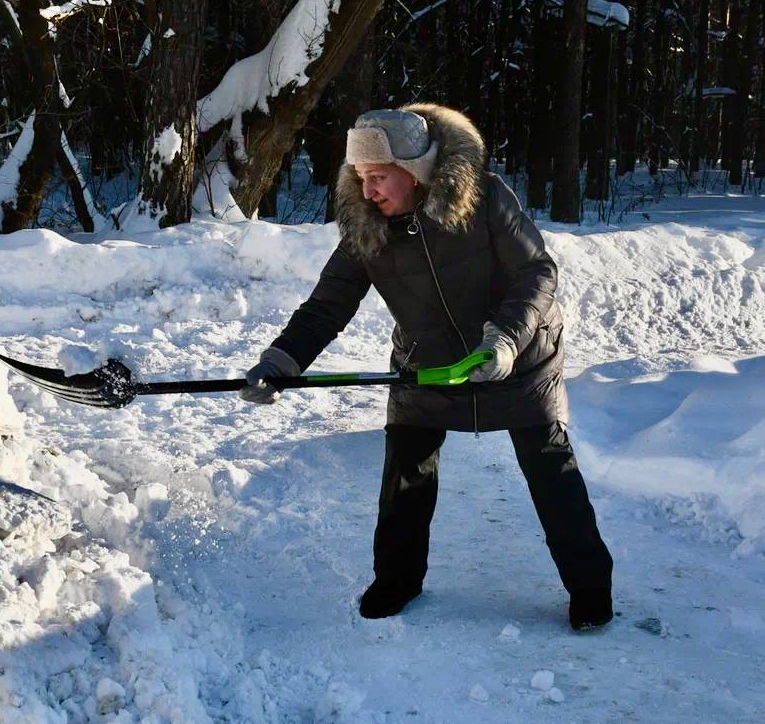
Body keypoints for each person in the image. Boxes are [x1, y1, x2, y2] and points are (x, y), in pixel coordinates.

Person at [238, 104, 614, 631]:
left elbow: (536, 271)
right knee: (406, 470)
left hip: (519, 356)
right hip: (429, 364)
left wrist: (504, 341)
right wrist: (279, 362)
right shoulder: (365, 226)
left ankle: (591, 586)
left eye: (379, 177)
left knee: (550, 470)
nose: (368, 191)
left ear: (415, 172)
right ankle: (396, 579)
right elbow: (328, 305)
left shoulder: (482, 198)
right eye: (360, 177)